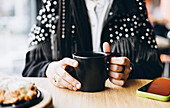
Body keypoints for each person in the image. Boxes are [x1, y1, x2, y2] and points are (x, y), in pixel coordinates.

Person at [22, 0, 163, 91]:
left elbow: (154, 67)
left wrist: (130, 70)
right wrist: (50, 70)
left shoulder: (133, 4)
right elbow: (31, 67)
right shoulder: (55, 4)